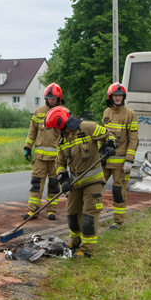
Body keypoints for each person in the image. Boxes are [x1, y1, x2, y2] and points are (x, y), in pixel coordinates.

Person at [45, 105, 116, 258]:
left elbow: (109, 134)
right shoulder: (62, 141)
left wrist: (110, 145)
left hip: (93, 181)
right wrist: (63, 179)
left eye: (54, 129)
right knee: (71, 213)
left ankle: (87, 250)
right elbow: (59, 163)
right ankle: (75, 241)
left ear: (61, 124)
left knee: (88, 215)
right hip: (75, 183)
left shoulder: (88, 128)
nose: (54, 132)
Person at [22, 83, 64, 221]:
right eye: (49, 98)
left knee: (54, 185)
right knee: (36, 184)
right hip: (39, 158)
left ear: (59, 98)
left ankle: (52, 211)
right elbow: (32, 131)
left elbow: (70, 134)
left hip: (57, 159)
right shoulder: (38, 112)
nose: (51, 100)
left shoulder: (64, 113)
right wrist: (28, 147)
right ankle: (32, 211)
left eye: (54, 98)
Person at [101, 82, 138, 229]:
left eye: (120, 95)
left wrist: (129, 160)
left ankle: (118, 221)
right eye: (115, 95)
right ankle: (93, 215)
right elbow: (102, 135)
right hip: (105, 161)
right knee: (96, 188)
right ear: (110, 97)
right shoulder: (106, 113)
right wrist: (100, 153)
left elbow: (133, 139)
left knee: (118, 192)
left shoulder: (130, 114)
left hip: (121, 163)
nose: (118, 98)